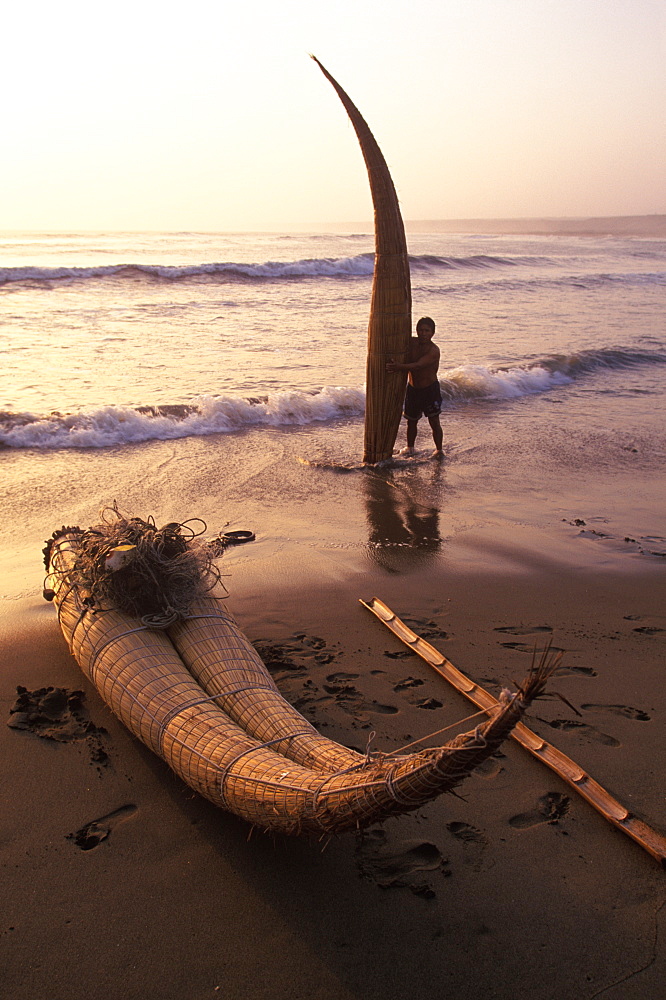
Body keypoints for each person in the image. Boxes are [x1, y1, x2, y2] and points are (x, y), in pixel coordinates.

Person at [386, 316, 443, 458]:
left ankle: (439, 450)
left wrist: (398, 367)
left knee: (434, 422)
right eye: (420, 330)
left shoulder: (433, 350)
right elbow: (397, 339)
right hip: (413, 389)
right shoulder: (412, 343)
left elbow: (418, 365)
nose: (423, 333)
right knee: (411, 421)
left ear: (432, 333)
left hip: (430, 390)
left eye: (426, 331)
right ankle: (410, 448)